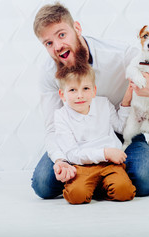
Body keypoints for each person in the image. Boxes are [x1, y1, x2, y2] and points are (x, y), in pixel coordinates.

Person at [31, 2, 149, 199]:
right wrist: (61, 160)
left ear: (77, 28)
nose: (57, 47)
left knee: (146, 177)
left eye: (62, 35)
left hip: (121, 130)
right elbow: (53, 129)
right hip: (76, 139)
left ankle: (94, 179)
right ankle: (101, 178)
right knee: (43, 185)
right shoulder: (48, 74)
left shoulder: (119, 56)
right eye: (48, 43)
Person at [54, 64, 135, 204]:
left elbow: (121, 127)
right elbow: (72, 153)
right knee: (76, 196)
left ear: (93, 90)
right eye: (72, 90)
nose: (80, 95)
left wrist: (127, 100)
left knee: (124, 192)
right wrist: (104, 153)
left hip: (110, 164)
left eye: (86, 89)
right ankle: (92, 187)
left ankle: (102, 186)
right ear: (63, 95)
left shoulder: (103, 104)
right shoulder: (61, 116)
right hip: (82, 166)